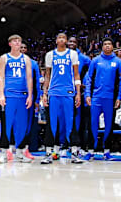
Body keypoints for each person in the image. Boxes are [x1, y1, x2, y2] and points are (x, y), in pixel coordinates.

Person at [41, 33, 82, 164]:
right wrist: (44, 93)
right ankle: (49, 152)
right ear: (56, 40)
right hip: (53, 92)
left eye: (64, 38)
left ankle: (74, 152)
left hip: (68, 91)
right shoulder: (50, 55)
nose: (61, 39)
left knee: (70, 122)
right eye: (59, 37)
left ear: (66, 41)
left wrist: (78, 93)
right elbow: (47, 76)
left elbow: (76, 75)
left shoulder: (72, 54)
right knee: (52, 123)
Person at [83, 37, 121, 160]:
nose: (107, 46)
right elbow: (89, 79)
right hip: (96, 97)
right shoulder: (95, 61)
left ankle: (107, 151)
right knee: (93, 124)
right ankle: (90, 150)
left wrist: (119, 97)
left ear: (112, 46)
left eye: (109, 44)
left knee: (109, 125)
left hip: (110, 98)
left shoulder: (118, 62)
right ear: (102, 46)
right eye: (105, 44)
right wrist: (87, 95)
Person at [0, 34, 34, 163]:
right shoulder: (4, 58)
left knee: (22, 125)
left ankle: (20, 152)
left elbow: (29, 78)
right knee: (6, 125)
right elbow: (0, 77)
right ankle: (4, 153)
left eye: (19, 41)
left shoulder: (26, 59)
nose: (17, 43)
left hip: (22, 95)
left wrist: (30, 95)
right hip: (9, 95)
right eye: (14, 41)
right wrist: (1, 95)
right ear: (10, 44)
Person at [69, 36, 93, 156]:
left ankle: (82, 146)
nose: (72, 43)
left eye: (74, 42)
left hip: (79, 93)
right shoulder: (63, 57)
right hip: (67, 93)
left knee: (81, 120)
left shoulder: (84, 58)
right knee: (68, 120)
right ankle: (68, 145)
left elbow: (91, 73)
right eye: (70, 41)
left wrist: (85, 85)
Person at [19, 42, 42, 155]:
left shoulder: (33, 64)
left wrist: (37, 99)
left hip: (29, 98)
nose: (22, 49)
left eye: (24, 47)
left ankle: (28, 147)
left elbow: (37, 82)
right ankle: (18, 146)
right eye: (21, 47)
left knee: (29, 123)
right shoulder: (12, 62)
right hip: (17, 97)